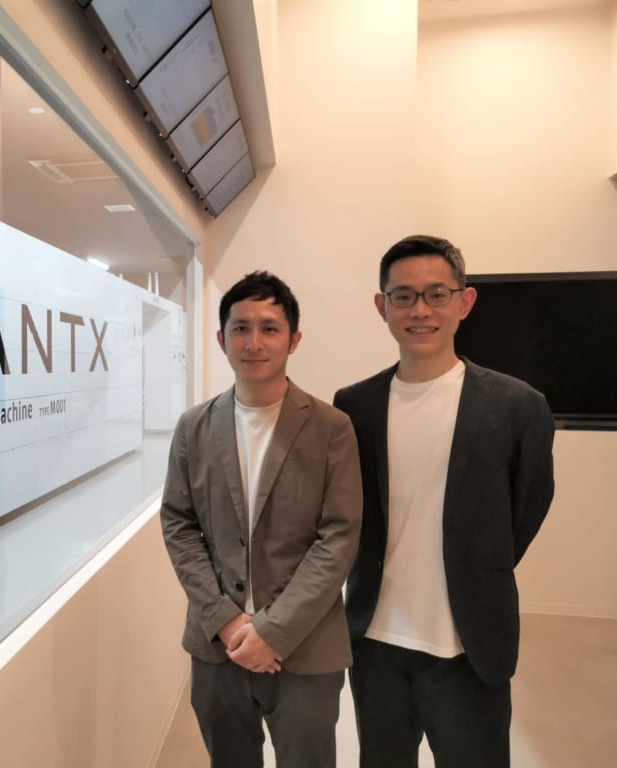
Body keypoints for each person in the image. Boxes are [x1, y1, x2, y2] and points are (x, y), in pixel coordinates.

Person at [333, 235, 555, 768]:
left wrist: (478, 564)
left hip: (467, 645)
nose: (420, 310)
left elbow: (527, 507)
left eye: (437, 294)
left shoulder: (518, 406)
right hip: (375, 642)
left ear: (465, 301)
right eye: (403, 296)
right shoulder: (353, 406)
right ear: (382, 306)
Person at [161, 271, 362, 768]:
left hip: (305, 646)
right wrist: (226, 621)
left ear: (294, 339)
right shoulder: (193, 427)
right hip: (218, 647)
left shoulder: (332, 428)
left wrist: (272, 630)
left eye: (269, 328)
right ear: (221, 339)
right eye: (241, 328)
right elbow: (179, 525)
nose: (254, 342)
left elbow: (338, 537)